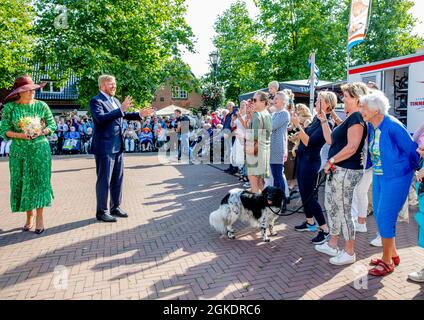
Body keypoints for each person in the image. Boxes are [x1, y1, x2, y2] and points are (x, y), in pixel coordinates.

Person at [359, 90, 419, 276]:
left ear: (376, 110)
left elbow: (412, 150)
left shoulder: (392, 126)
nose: (362, 110)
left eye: (364, 108)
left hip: (396, 177)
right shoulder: (373, 126)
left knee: (386, 215)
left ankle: (387, 262)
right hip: (379, 175)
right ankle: (392, 254)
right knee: (378, 213)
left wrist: (411, 172)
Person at [316, 83, 368, 266]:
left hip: (346, 170)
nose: (343, 99)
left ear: (357, 98)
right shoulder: (349, 117)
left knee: (344, 210)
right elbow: (331, 140)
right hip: (338, 170)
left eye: (346, 96)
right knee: (332, 207)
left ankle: (349, 251)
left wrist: (331, 161)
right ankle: (332, 244)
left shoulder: (356, 118)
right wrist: (323, 121)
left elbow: (353, 147)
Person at [0, 75, 57, 234]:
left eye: (33, 89)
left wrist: (42, 131)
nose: (32, 92)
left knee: (39, 182)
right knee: (23, 182)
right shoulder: (10, 108)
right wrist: (21, 135)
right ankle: (29, 215)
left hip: (40, 149)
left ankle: (40, 217)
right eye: (27, 90)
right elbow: (4, 130)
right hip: (19, 151)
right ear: (19, 92)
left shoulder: (42, 106)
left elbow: (52, 124)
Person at [90, 74, 143, 223]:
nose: (114, 86)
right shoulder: (96, 101)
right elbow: (100, 119)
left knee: (117, 179)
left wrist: (139, 114)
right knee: (104, 180)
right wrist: (120, 109)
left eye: (115, 83)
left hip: (118, 145)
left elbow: (123, 115)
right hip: (104, 146)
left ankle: (115, 207)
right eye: (110, 84)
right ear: (102, 85)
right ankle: (102, 211)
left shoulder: (115, 100)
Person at [292, 91, 335, 245]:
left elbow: (309, 142)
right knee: (304, 194)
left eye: (320, 101)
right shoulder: (317, 119)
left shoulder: (327, 123)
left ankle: (325, 229)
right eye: (316, 101)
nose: (316, 103)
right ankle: (310, 222)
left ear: (328, 104)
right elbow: (304, 138)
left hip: (311, 163)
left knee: (310, 197)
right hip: (303, 159)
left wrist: (298, 125)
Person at [245, 91, 272, 193]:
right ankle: (263, 206)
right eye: (252, 100)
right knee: (260, 183)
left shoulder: (257, 115)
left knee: (254, 183)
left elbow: (254, 135)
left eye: (255, 100)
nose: (253, 102)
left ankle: (256, 207)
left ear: (263, 102)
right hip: (264, 151)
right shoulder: (267, 114)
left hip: (255, 152)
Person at [270, 91, 290, 199]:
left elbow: (271, 126)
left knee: (278, 176)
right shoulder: (274, 114)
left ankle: (281, 200)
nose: (274, 100)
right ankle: (276, 200)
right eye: (275, 98)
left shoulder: (284, 113)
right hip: (272, 147)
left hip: (278, 148)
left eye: (277, 98)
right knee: (275, 176)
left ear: (283, 101)